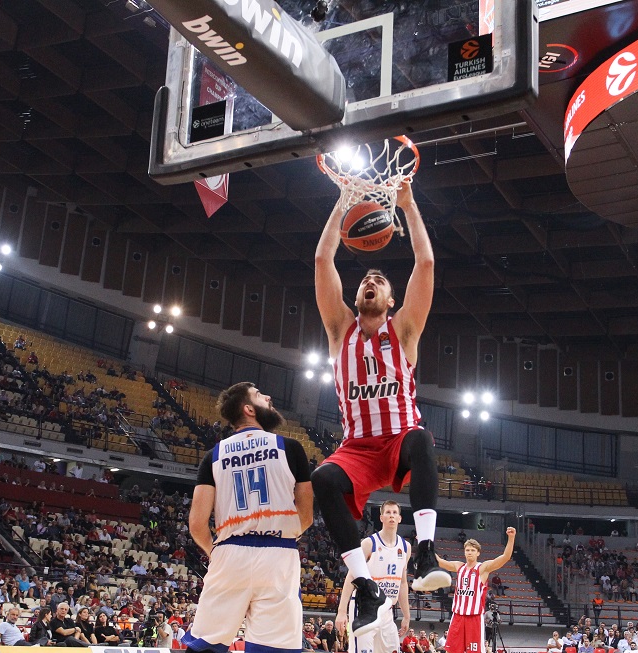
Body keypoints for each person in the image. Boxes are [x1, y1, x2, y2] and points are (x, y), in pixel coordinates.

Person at [312, 181, 448, 638]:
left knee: (422, 439)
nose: (369, 282)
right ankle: (366, 588)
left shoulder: (404, 330)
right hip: (358, 448)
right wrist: (341, 203)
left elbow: (425, 264)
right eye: (364, 281)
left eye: (379, 282)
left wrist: (408, 205)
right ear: (356, 297)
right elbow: (322, 260)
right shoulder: (340, 330)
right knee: (323, 479)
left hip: (399, 439)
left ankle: (425, 550)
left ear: (391, 300)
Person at [180, 382, 313, 653]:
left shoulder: (213, 456)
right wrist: (285, 534)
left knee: (204, 646)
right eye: (259, 395)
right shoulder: (290, 448)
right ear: (249, 409)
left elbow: (196, 524)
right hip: (278, 555)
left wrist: (216, 553)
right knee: (273, 649)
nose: (268, 396)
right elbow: (306, 515)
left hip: (229, 552)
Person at [336, 501, 411, 653]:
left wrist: (406, 615)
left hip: (387, 610)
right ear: (381, 517)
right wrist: (342, 611)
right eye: (388, 512)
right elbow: (351, 576)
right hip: (365, 607)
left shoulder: (405, 547)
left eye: (395, 513)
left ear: (400, 518)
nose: (391, 516)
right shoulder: (369, 543)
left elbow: (403, 583)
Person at [437, 527, 517, 653]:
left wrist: (511, 538)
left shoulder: (482, 568)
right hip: (457, 616)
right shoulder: (459, 566)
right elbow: (439, 562)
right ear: (464, 552)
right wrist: (424, 544)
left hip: (474, 617)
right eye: (467, 550)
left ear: (478, 553)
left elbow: (505, 557)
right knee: (452, 651)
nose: (470, 552)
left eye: (473, 550)